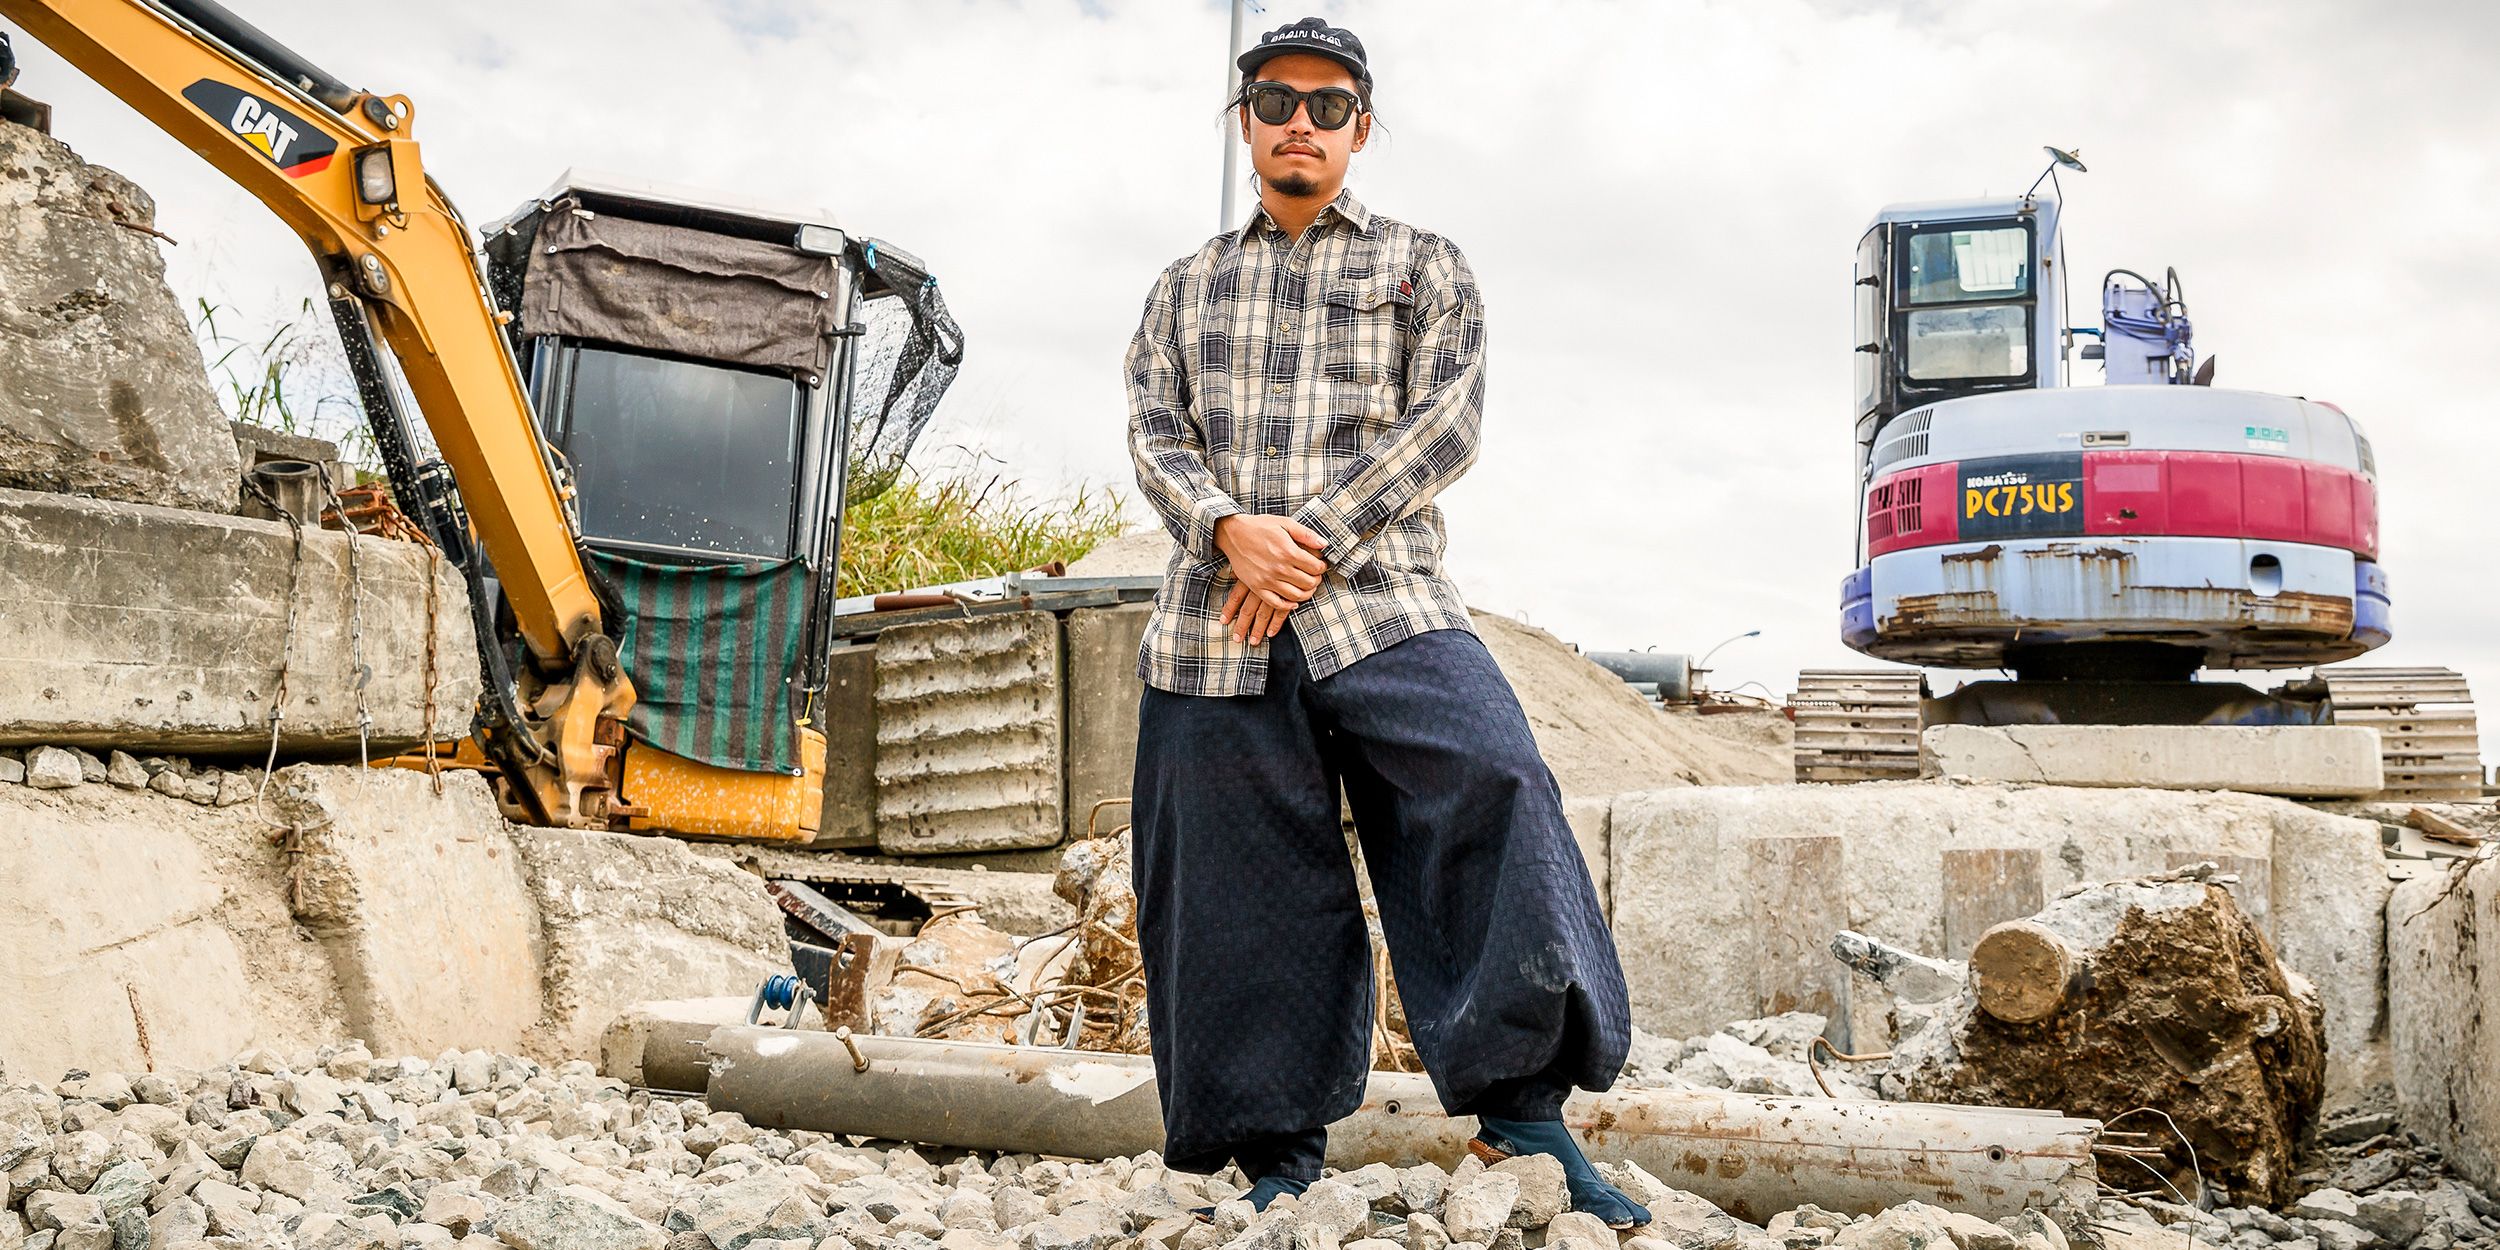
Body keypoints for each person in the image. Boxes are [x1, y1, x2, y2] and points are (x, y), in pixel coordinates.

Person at [1121, 16, 1650, 1230]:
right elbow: (1154, 432)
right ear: (1242, 120)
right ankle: (1270, 1150)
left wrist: (1297, 537)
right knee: (1233, 875)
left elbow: (1448, 421)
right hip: (1218, 621)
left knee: (1495, 780)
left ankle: (1522, 1114)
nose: (1297, 120)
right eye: (1273, 98)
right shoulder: (1182, 285)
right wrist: (1222, 530)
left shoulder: (1425, 263)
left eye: (1326, 102)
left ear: (1362, 127)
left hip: (1386, 597)